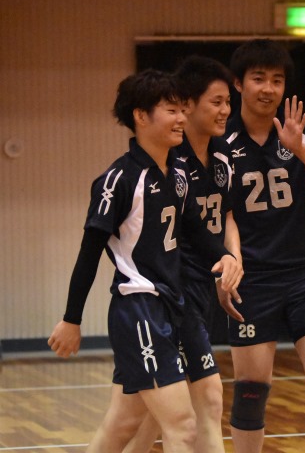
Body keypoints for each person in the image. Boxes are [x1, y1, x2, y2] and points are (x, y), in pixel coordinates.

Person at [47, 68, 240, 453]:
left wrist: (225, 256)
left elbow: (194, 229)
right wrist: (71, 319)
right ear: (141, 115)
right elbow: (89, 254)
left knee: (124, 422)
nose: (181, 118)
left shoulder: (179, 172)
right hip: (139, 308)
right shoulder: (118, 180)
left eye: (182, 110)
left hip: (175, 305)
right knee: (182, 424)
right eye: (171, 110)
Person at [218, 39, 305, 453]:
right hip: (253, 280)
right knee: (250, 391)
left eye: (277, 80)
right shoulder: (220, 140)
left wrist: (300, 149)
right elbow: (223, 211)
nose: (268, 88)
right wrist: (231, 258)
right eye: (258, 78)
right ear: (238, 84)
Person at [122, 56, 245, 453]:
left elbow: (227, 216)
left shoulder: (223, 155)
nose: (225, 110)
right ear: (188, 105)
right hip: (169, 294)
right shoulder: (168, 163)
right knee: (200, 401)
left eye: (228, 102)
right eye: (216, 102)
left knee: (147, 416)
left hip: (201, 287)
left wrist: (231, 263)